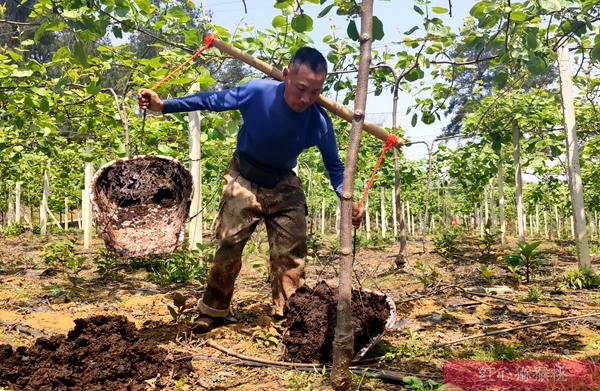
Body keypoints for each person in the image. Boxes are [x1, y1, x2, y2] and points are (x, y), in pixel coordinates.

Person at [138, 47, 365, 333]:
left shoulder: (319, 121)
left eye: (316, 91)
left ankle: (289, 314)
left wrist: (349, 201)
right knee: (228, 246)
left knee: (291, 255)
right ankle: (214, 310)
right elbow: (211, 100)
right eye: (301, 88)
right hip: (243, 177)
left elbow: (335, 168)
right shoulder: (258, 93)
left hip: (284, 183)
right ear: (286, 75)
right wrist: (164, 105)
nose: (306, 98)